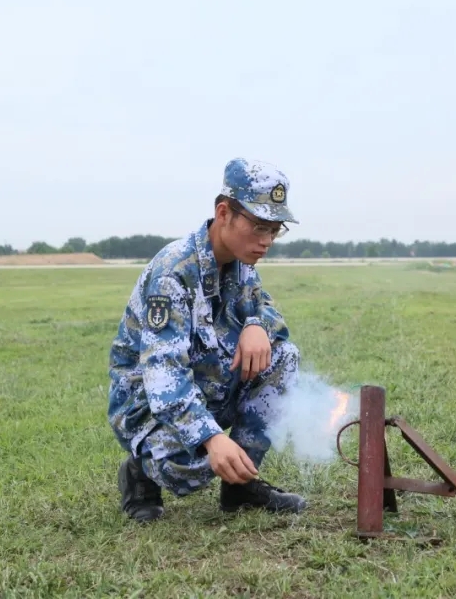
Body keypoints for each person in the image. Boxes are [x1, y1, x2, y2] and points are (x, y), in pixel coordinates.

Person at [107, 158, 308, 523]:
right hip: (148, 403)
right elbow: (164, 379)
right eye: (259, 226)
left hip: (208, 386)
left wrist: (256, 324)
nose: (266, 242)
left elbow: (271, 318)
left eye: (275, 230)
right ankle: (140, 471)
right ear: (223, 212)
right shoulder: (174, 273)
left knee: (284, 357)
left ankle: (240, 488)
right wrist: (212, 439)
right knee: (190, 468)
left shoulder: (241, 263)